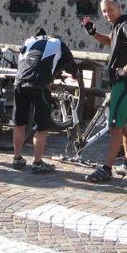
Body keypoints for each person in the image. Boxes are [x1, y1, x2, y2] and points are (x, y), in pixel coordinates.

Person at [81, 0, 127, 183]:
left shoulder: (126, 25)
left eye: (110, 9)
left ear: (119, 7)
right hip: (126, 83)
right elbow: (110, 41)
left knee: (114, 125)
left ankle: (106, 169)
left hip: (124, 83)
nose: (107, 13)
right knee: (124, 125)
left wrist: (126, 70)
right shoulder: (118, 26)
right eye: (104, 11)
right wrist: (93, 33)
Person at [11, 28, 81, 174]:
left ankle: (17, 158)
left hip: (19, 82)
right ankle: (37, 163)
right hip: (39, 85)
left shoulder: (29, 41)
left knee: (19, 123)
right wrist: (74, 74)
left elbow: (23, 63)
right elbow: (72, 67)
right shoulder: (57, 43)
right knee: (41, 126)